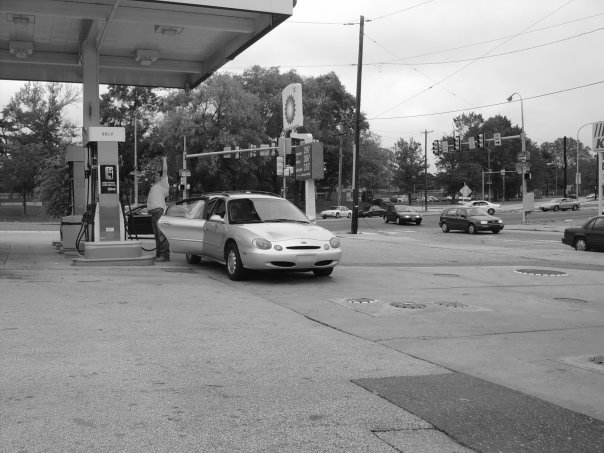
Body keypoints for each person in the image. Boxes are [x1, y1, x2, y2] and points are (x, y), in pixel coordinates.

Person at [147, 156, 170, 262]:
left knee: (161, 235)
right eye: (155, 174)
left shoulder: (163, 183)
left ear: (161, 177)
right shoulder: (155, 185)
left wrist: (164, 159)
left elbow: (164, 171)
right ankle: (159, 254)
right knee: (157, 235)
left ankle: (165, 255)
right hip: (154, 213)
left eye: (157, 174)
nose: (155, 176)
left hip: (159, 212)